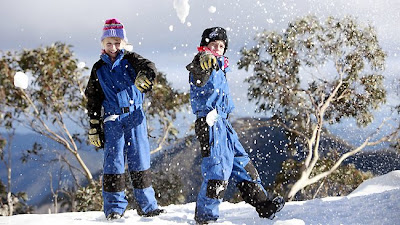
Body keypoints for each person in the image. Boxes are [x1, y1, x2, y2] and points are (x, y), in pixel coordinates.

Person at [187, 27, 285, 224]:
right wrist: (203, 60)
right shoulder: (202, 62)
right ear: (205, 46)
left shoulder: (221, 67)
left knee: (243, 165)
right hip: (210, 123)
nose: (217, 48)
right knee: (217, 171)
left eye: (221, 46)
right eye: (212, 44)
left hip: (224, 123)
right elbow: (198, 74)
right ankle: (206, 218)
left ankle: (263, 204)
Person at [85, 18, 164, 220]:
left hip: (134, 116)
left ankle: (147, 205)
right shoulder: (98, 69)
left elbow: (149, 66)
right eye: (109, 43)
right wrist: (94, 125)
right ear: (103, 44)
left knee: (140, 160)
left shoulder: (131, 59)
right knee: (114, 164)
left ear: (123, 42)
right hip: (112, 119)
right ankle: (114, 208)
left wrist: (146, 75)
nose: (113, 47)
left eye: (117, 43)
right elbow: (93, 98)